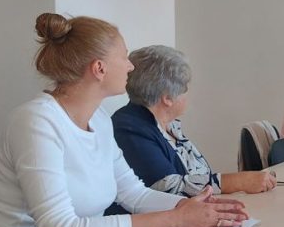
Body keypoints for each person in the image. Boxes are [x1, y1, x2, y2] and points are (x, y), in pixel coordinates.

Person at [0, 14, 248, 227]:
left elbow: (134, 194)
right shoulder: (36, 122)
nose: (130, 66)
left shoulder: (99, 120)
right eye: (124, 57)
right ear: (99, 68)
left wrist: (187, 208)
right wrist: (175, 219)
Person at [111, 46, 275, 208]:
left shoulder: (169, 125)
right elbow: (169, 187)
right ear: (167, 98)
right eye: (185, 87)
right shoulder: (129, 128)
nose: (188, 93)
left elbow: (198, 175)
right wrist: (239, 181)